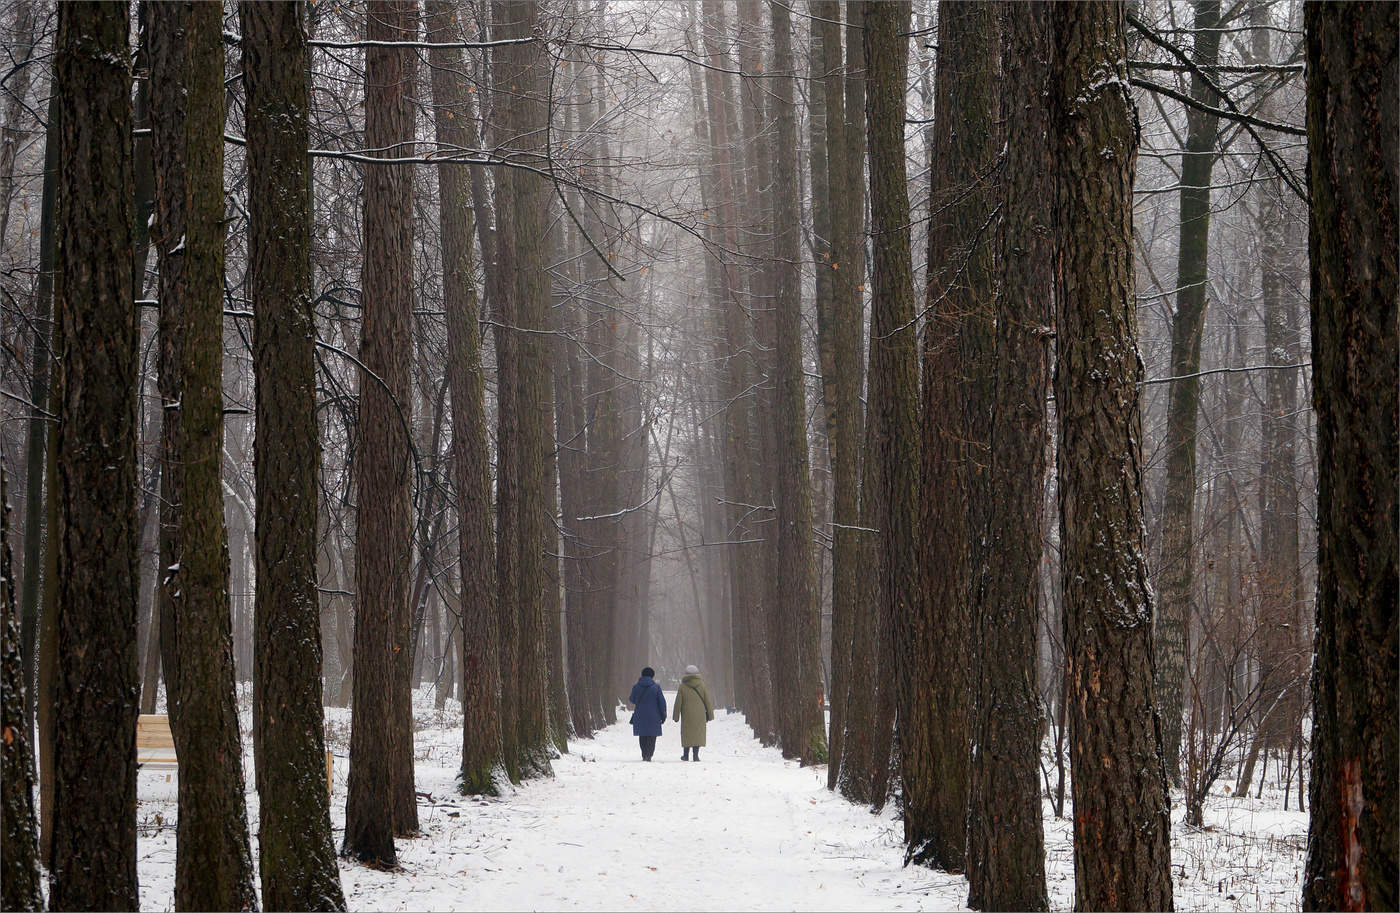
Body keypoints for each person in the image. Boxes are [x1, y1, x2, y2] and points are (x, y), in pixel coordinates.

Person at [673, 664, 714, 761]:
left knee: (687, 734)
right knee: (698, 734)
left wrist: (676, 716)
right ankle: (696, 755)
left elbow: (678, 702)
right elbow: (707, 701)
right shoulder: (702, 685)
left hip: (687, 714)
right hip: (700, 714)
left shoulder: (682, 686)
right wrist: (710, 714)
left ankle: (685, 755)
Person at [628, 666, 666, 761]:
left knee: (642, 735)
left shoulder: (636, 686)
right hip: (654, 715)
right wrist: (663, 714)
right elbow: (661, 702)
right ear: (652, 676)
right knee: (652, 736)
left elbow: (632, 699)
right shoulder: (656, 687)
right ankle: (649, 754)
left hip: (640, 714)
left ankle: (644, 753)